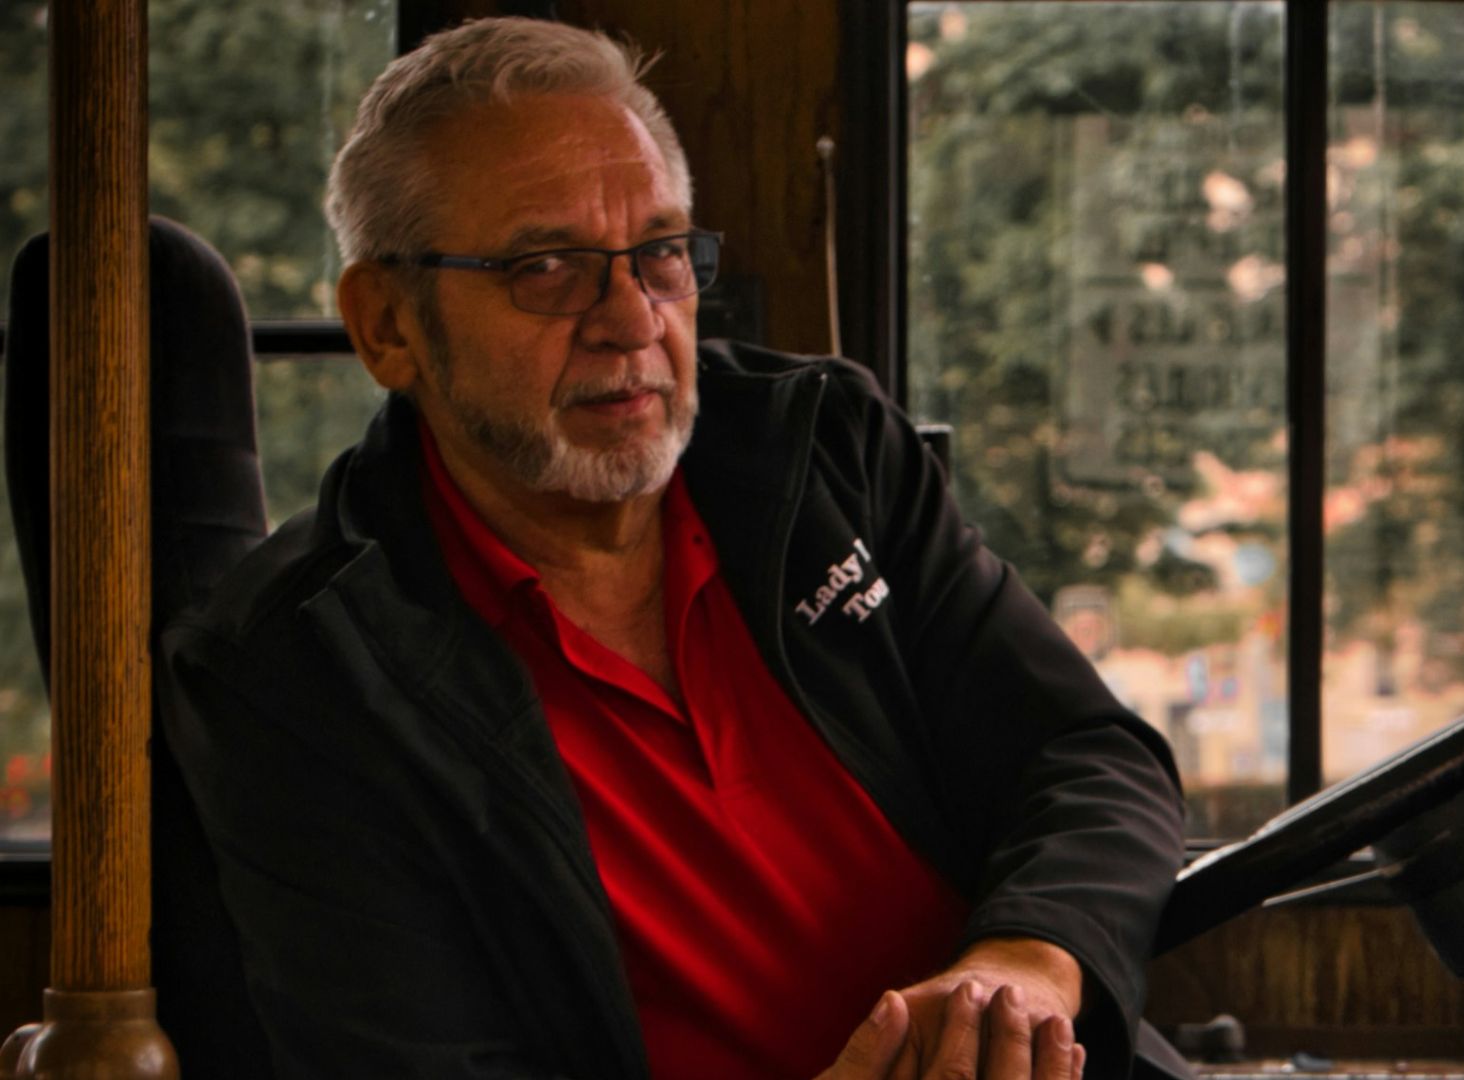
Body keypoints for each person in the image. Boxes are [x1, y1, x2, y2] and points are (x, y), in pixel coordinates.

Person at [159, 16, 1186, 1079]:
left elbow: (1085, 757)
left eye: (659, 253)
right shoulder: (296, 675)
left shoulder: (821, 449)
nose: (633, 319)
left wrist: (1027, 964)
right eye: (546, 266)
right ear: (387, 326)